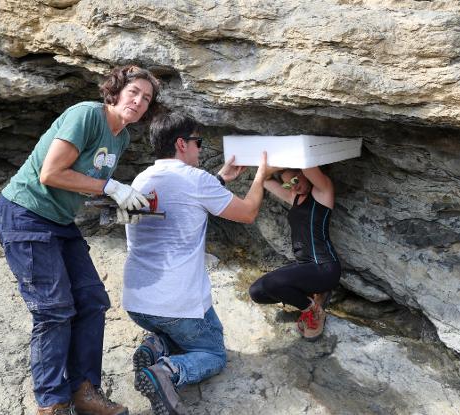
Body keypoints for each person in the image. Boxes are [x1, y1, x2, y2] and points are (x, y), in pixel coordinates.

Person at [0, 65, 161, 415]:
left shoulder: (122, 138)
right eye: (134, 92)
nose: (139, 101)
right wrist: (111, 187)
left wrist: (120, 203)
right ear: (115, 91)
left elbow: (84, 182)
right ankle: (52, 404)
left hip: (59, 220)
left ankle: (84, 392)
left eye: (146, 99)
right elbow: (52, 173)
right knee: (53, 309)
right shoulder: (86, 115)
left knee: (91, 301)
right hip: (26, 212)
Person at [123, 112, 277, 415]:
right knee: (213, 353)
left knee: (183, 332)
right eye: (198, 142)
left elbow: (182, 201)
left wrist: (219, 178)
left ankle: (156, 346)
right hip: (176, 306)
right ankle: (166, 372)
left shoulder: (142, 179)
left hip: (137, 303)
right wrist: (262, 175)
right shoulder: (195, 180)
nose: (200, 148)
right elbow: (247, 213)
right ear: (182, 144)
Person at [249, 167, 341, 340]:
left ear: (304, 174)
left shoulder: (322, 190)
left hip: (324, 267)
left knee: (271, 284)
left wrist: (286, 161)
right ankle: (313, 296)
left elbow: (307, 163)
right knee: (256, 293)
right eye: (287, 185)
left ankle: (313, 310)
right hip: (304, 267)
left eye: (295, 181)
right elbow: (264, 179)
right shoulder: (294, 197)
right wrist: (277, 168)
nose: (293, 187)